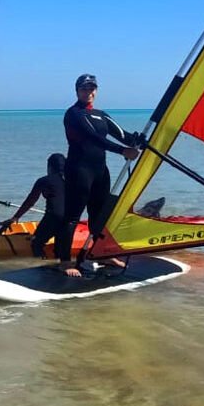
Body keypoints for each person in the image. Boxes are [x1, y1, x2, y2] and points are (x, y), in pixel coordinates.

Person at [58, 74, 141, 278]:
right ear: (77, 91)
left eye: (92, 88)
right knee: (72, 217)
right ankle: (65, 261)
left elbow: (124, 136)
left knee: (100, 215)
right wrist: (122, 151)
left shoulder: (101, 115)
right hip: (79, 170)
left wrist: (143, 140)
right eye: (84, 88)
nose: (89, 92)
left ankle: (101, 254)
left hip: (100, 171)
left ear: (96, 90)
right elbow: (93, 138)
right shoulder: (73, 114)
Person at [4, 153, 67, 259]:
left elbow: (30, 201)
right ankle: (60, 264)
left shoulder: (44, 180)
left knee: (36, 243)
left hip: (53, 216)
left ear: (50, 167)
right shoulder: (73, 180)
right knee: (60, 247)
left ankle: (39, 265)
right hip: (71, 218)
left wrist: (16, 217)